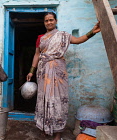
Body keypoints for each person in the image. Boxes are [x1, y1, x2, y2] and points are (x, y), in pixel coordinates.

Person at [26, 12, 100, 140]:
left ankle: (58, 132)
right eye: (46, 21)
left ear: (55, 21)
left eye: (51, 20)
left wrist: (92, 32)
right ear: (44, 23)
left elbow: (78, 40)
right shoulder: (41, 38)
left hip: (58, 71)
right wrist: (32, 70)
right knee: (44, 99)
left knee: (58, 100)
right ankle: (45, 127)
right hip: (43, 72)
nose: (49, 22)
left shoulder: (63, 36)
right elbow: (37, 55)